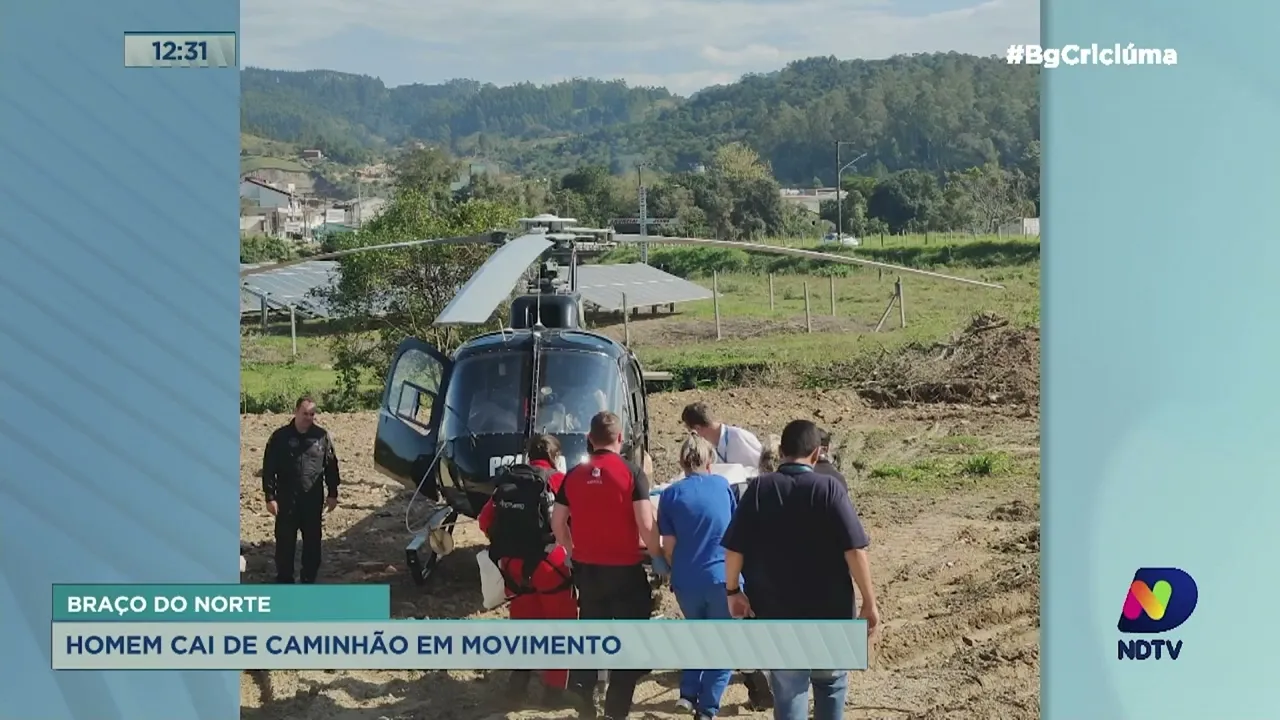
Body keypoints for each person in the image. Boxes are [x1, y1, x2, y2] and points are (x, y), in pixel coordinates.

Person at [721, 419, 880, 720]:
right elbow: (855, 550)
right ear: (817, 453)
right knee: (831, 683)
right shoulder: (830, 488)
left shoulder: (759, 489)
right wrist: (869, 601)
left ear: (780, 451)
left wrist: (732, 591)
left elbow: (733, 550)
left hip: (777, 614)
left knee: (789, 687)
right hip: (830, 614)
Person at [551, 411, 667, 720]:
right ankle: (615, 712)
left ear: (589, 439)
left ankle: (582, 685)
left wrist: (571, 549)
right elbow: (645, 523)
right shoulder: (631, 473)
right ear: (620, 439)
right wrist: (658, 554)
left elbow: (557, 521)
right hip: (626, 571)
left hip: (588, 569)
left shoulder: (574, 474)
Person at [478, 434, 577, 706]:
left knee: (524, 624)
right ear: (555, 457)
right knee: (561, 627)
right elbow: (574, 521)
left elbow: (485, 521)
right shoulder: (557, 480)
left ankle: (518, 682)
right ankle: (553, 692)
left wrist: (509, 545)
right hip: (550, 564)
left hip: (513, 567)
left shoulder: (509, 481)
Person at [658, 435, 739, 719]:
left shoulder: (670, 494)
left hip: (686, 580)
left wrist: (674, 566)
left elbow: (668, 547)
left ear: (682, 462)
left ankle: (687, 694)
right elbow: (735, 535)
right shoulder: (723, 486)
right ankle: (707, 707)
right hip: (721, 577)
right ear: (710, 461)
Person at [262, 396, 341, 584]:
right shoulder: (280, 437)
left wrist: (333, 493)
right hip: (287, 498)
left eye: (312, 414)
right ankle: (285, 580)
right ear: (296, 412)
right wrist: (269, 496)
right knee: (285, 542)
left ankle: (308, 578)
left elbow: (331, 466)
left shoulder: (321, 437)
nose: (308, 417)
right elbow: (269, 468)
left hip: (312, 500)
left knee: (313, 543)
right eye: (304, 413)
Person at [681, 402, 763, 469]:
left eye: (690, 431)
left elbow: (765, 467)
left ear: (697, 428)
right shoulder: (708, 447)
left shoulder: (739, 437)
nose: (692, 436)